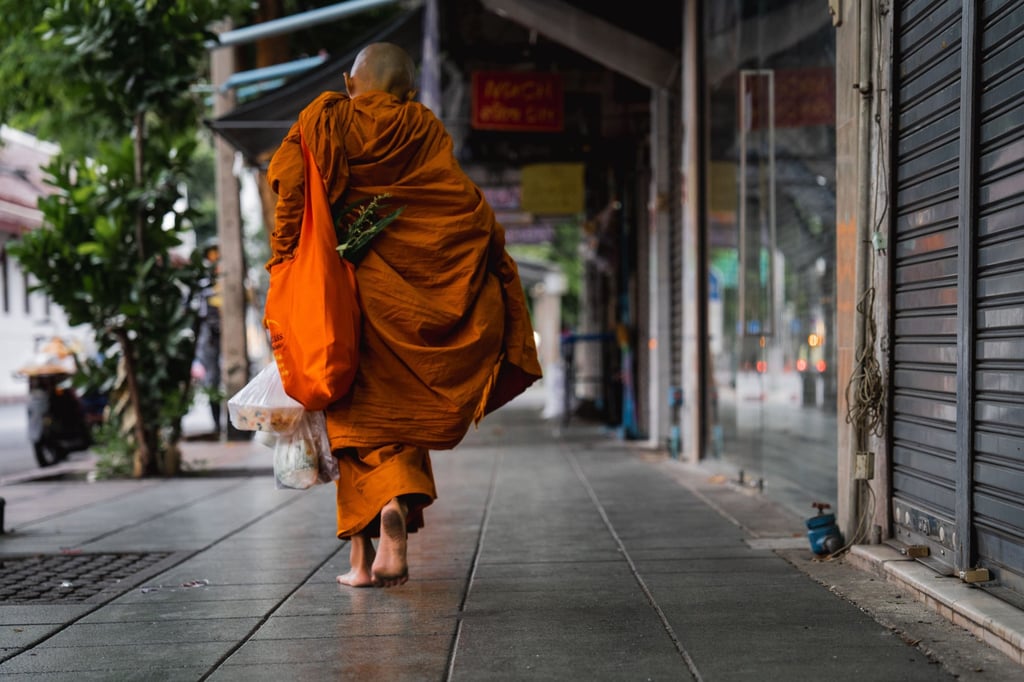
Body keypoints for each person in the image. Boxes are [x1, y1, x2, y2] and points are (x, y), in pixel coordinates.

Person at [266, 42, 542, 588]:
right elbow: (463, 209)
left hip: (344, 300)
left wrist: (285, 266)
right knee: (401, 420)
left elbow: (291, 195)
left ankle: (363, 558)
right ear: (409, 92)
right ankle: (386, 525)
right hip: (408, 304)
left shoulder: (324, 121)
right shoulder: (422, 127)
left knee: (353, 426)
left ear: (350, 82)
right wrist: (487, 262)